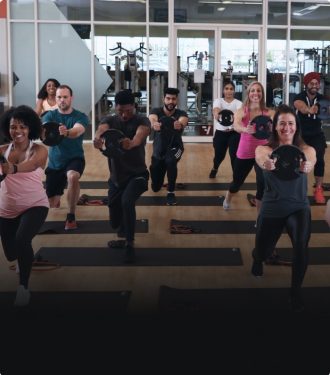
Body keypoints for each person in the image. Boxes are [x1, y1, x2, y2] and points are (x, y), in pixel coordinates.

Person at [251, 104, 316, 312]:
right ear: (275, 127)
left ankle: (295, 292)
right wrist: (266, 164)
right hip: (272, 209)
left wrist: (308, 165)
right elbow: (261, 158)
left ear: (296, 127)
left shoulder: (307, 150)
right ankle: (257, 258)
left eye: (290, 123)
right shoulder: (264, 149)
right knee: (263, 251)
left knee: (301, 246)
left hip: (298, 206)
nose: (286, 127)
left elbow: (311, 159)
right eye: (282, 123)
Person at [93, 90, 150, 263]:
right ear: (116, 108)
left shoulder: (142, 120)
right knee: (115, 223)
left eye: (127, 110)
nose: (123, 115)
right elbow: (101, 129)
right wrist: (97, 138)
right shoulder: (110, 120)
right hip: (117, 180)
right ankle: (124, 234)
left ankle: (129, 244)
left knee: (127, 202)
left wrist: (131, 143)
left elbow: (140, 135)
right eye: (120, 111)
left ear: (134, 106)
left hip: (137, 175)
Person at [0, 105, 49, 306]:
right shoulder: (2, 151)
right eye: (13, 127)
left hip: (35, 205)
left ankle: (23, 288)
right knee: (12, 254)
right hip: (6, 209)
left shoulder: (39, 150)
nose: (17, 131)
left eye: (22, 127)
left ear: (30, 129)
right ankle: (21, 259)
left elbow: (33, 165)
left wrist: (13, 168)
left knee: (22, 241)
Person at [223, 81, 275, 213]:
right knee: (237, 182)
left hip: (262, 152)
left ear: (262, 94)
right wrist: (246, 129)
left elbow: (277, 125)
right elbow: (236, 125)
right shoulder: (242, 111)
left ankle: (260, 217)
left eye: (258, 91)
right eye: (253, 91)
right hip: (245, 151)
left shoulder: (269, 113)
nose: (255, 93)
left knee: (262, 184)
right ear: (248, 93)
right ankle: (228, 197)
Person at [42, 84, 89, 230]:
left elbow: (77, 131)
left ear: (71, 98)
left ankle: (71, 216)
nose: (62, 100)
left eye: (65, 97)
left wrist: (66, 132)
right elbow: (43, 131)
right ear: (55, 98)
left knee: (73, 176)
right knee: (53, 204)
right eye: (59, 97)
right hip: (55, 163)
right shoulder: (50, 115)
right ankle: (71, 196)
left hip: (74, 158)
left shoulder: (80, 116)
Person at [149, 87, 189, 206]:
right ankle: (158, 183)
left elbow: (183, 120)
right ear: (164, 99)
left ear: (176, 100)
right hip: (159, 149)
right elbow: (152, 118)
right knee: (155, 187)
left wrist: (180, 124)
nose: (170, 101)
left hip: (175, 147)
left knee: (171, 161)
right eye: (168, 98)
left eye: (173, 99)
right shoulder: (156, 111)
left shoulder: (181, 113)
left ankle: (171, 191)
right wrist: (154, 124)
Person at [293, 71, 327, 204]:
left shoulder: (322, 98)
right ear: (306, 84)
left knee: (319, 160)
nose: (314, 85)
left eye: (316, 83)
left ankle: (318, 188)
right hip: (300, 135)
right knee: (299, 161)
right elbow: (300, 107)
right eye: (311, 83)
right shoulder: (299, 97)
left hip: (316, 135)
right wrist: (309, 110)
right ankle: (297, 189)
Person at [209, 80, 242, 179]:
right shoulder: (218, 101)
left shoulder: (238, 103)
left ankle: (236, 176)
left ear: (234, 91)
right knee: (219, 156)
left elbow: (240, 114)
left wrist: (237, 117)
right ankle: (215, 168)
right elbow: (216, 109)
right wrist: (216, 113)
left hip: (234, 133)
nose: (229, 91)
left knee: (234, 155)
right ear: (223, 90)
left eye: (231, 89)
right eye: (226, 89)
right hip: (220, 133)